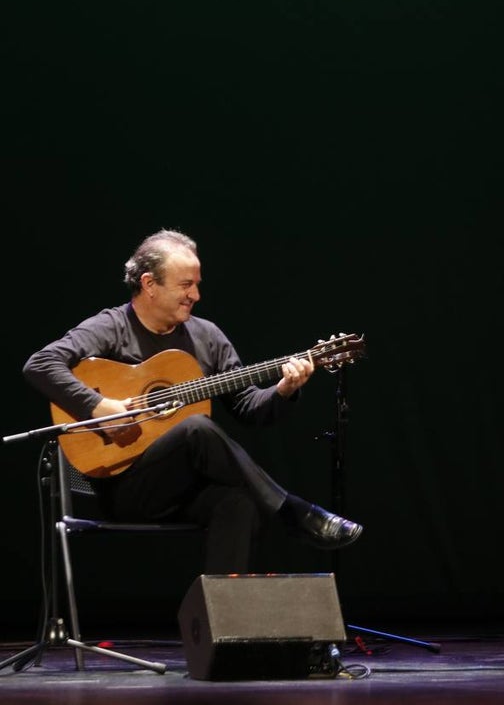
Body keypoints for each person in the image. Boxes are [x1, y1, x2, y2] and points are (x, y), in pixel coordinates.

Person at [23, 228, 363, 574]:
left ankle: (224, 624)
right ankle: (292, 512)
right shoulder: (110, 327)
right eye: (185, 285)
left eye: (197, 284)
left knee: (238, 503)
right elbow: (40, 365)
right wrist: (98, 406)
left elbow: (248, 408)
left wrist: (284, 390)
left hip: (181, 489)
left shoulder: (207, 337)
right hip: (123, 488)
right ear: (149, 284)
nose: (196, 294)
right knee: (197, 428)